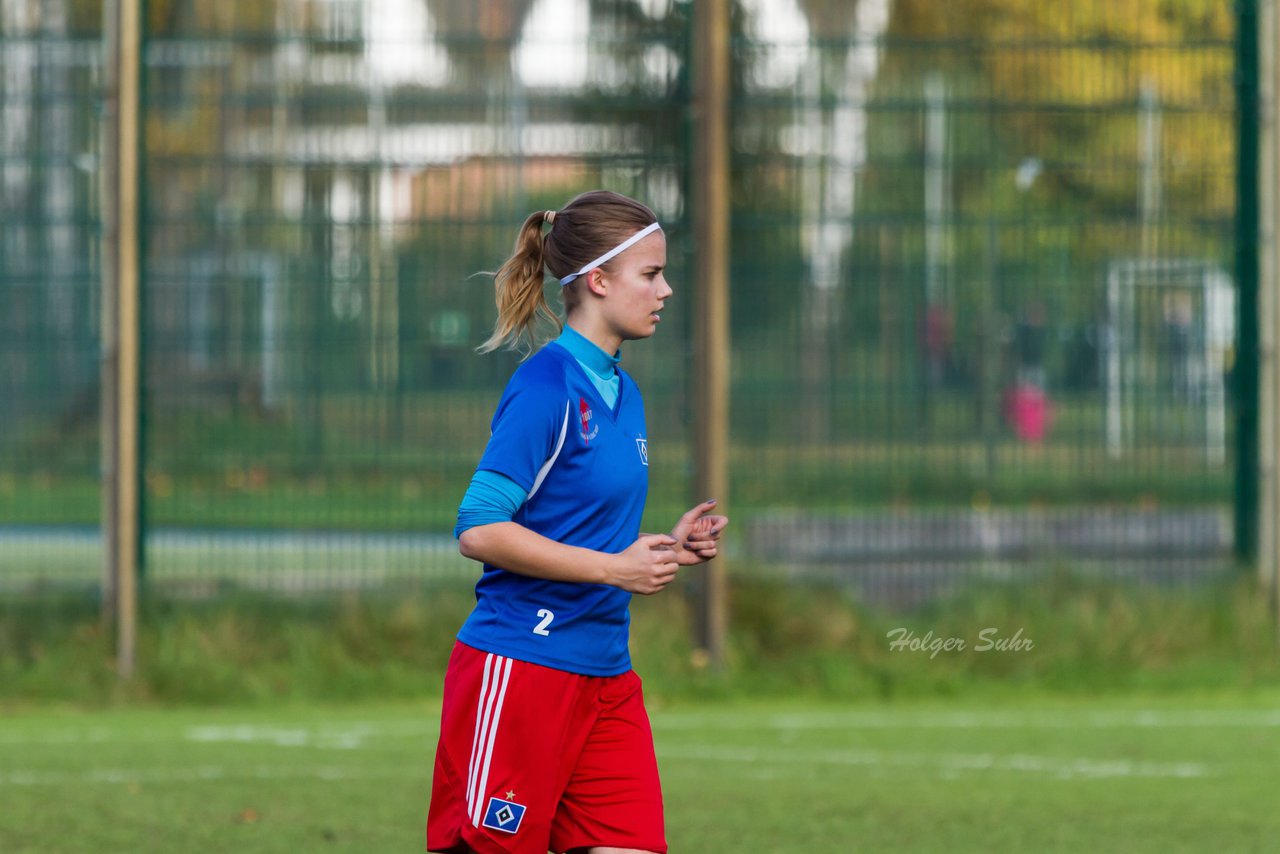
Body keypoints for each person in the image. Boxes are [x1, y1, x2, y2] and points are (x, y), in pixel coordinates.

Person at [427, 190, 728, 854]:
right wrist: (613, 569)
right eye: (650, 274)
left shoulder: (624, 391)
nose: (667, 289)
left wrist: (667, 549)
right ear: (597, 281)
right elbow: (478, 528)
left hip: (605, 677)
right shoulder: (547, 386)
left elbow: (581, 527)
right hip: (525, 665)